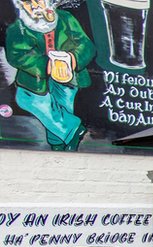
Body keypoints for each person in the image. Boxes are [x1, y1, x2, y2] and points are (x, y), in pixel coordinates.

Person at [5, 0, 95, 151]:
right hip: (35, 79)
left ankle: (60, 145)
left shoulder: (66, 18)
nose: (34, 5)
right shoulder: (18, 28)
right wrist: (46, 65)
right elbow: (17, 55)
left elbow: (86, 45)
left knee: (62, 108)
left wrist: (71, 60)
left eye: (37, 0)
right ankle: (73, 129)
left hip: (67, 76)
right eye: (27, 3)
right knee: (25, 99)